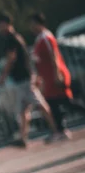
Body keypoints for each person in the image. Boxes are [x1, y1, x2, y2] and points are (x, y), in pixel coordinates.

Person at [0, 11, 61, 148]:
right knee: (24, 110)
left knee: (39, 104)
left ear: (5, 24)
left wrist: (2, 77)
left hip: (23, 78)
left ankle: (57, 130)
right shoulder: (17, 37)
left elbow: (11, 59)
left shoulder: (11, 39)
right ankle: (23, 137)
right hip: (22, 78)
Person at [30, 12, 85, 141]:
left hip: (55, 76)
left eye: (33, 24)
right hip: (48, 79)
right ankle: (61, 130)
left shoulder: (46, 37)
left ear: (39, 23)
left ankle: (61, 130)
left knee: (67, 102)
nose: (31, 27)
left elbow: (53, 56)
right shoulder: (39, 39)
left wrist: (57, 74)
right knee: (53, 103)